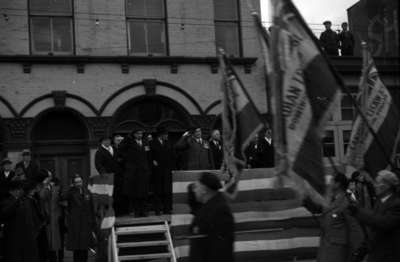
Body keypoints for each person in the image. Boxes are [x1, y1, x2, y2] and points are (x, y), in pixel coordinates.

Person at [303, 173, 364, 262]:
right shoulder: (330, 199)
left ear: (337, 184)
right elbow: (318, 209)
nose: (329, 183)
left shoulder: (347, 202)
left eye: (331, 181)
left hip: (338, 250)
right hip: (326, 246)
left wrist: (356, 252)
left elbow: (354, 228)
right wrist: (304, 199)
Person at [349, 170, 400, 262]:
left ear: (386, 185)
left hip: (389, 256)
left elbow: (383, 222)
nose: (375, 185)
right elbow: (373, 231)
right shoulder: (379, 202)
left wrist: (358, 211)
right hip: (376, 255)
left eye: (377, 183)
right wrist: (360, 252)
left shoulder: (396, 204)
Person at [189, 172, 234, 262]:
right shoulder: (206, 208)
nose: (194, 190)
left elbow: (221, 249)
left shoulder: (220, 211)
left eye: (197, 187)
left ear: (204, 189)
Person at [0, 180, 45, 262]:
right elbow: (5, 214)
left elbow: (35, 217)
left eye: (21, 189)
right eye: (18, 189)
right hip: (14, 240)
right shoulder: (6, 201)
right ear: (12, 191)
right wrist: (17, 201)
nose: (21, 191)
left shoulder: (28, 201)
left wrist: (36, 229)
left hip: (29, 238)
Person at [62, 175, 95, 262]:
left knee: (85, 246)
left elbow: (91, 207)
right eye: (76, 182)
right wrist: (70, 188)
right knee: (77, 248)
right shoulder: (71, 192)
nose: (79, 184)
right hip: (75, 224)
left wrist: (92, 221)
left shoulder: (87, 191)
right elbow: (62, 197)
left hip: (85, 223)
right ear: (73, 183)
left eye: (80, 181)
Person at [119, 128, 151, 216]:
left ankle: (144, 211)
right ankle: (137, 211)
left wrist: (148, 168)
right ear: (134, 134)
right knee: (135, 193)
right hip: (133, 172)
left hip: (143, 171)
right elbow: (121, 149)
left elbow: (148, 155)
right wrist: (128, 159)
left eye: (141, 134)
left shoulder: (145, 142)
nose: (140, 135)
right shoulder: (129, 142)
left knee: (144, 192)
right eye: (138, 134)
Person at [38, 170, 63, 262]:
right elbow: (41, 197)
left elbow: (59, 200)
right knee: (47, 245)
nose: (50, 178)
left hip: (55, 220)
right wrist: (44, 186)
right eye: (48, 176)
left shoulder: (55, 187)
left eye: (50, 176)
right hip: (46, 220)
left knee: (54, 245)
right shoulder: (40, 187)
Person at [150, 126, 175, 215]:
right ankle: (157, 210)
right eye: (165, 134)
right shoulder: (152, 143)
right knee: (157, 191)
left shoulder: (169, 143)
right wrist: (153, 161)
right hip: (157, 171)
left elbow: (172, 155)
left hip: (167, 170)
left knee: (167, 191)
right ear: (160, 135)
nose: (167, 136)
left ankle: (167, 209)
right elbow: (149, 155)